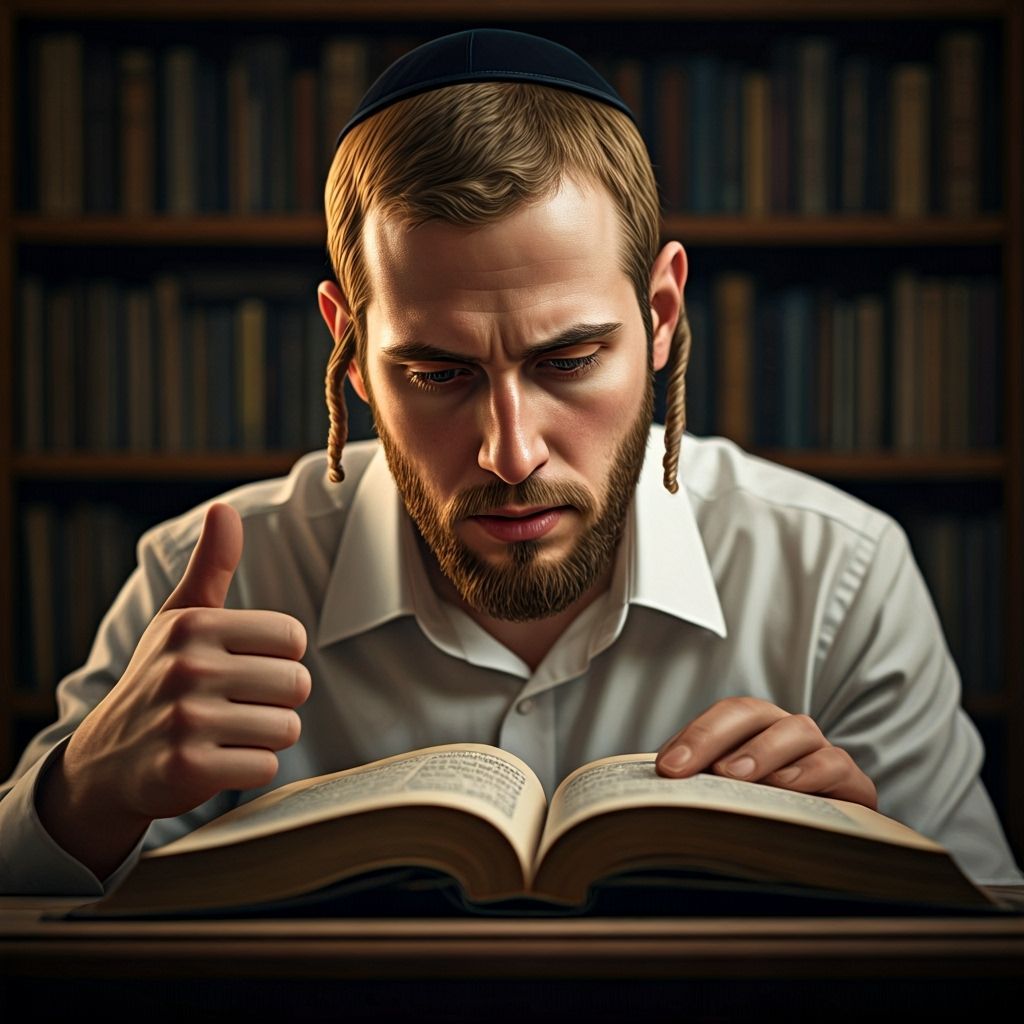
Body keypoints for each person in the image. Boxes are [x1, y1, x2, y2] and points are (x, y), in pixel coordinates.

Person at [1, 29, 1020, 894]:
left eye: (568, 360)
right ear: (348, 348)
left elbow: (982, 936)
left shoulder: (837, 577)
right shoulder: (198, 581)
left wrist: (877, 868)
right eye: (437, 372)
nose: (509, 451)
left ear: (660, 316)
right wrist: (83, 795)